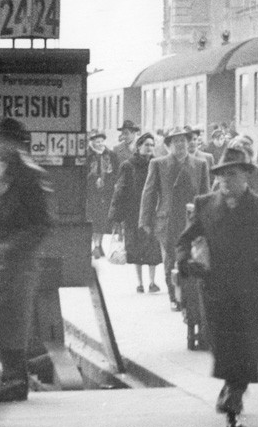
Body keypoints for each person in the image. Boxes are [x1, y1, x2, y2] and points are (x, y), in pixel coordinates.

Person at [176, 148, 258, 427]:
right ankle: (231, 386)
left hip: (249, 288)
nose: (225, 180)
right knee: (221, 343)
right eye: (222, 175)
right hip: (214, 287)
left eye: (232, 174)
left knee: (247, 343)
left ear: (246, 176)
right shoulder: (205, 204)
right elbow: (184, 240)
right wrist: (185, 261)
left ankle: (234, 400)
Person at [0, 117, 54, 402]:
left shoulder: (30, 175)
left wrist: (10, 248)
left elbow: (42, 224)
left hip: (18, 260)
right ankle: (2, 375)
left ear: (12, 143)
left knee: (13, 319)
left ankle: (15, 380)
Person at [140, 127, 212, 312]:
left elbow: (205, 194)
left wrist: (209, 219)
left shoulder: (200, 164)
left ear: (189, 143)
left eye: (183, 141)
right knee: (170, 260)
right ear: (168, 145)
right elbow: (149, 194)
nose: (180, 145)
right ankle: (174, 297)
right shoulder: (158, 163)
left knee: (191, 259)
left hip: (191, 220)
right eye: (175, 141)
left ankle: (189, 296)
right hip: (167, 221)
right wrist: (145, 221)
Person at [112, 132, 163, 292]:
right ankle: (140, 283)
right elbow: (120, 189)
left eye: (152, 145)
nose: (150, 148)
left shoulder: (156, 164)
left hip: (151, 210)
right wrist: (116, 215)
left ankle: (152, 282)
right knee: (136, 247)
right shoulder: (128, 165)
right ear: (139, 146)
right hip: (133, 211)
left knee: (152, 246)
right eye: (147, 145)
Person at [85, 130, 119, 258]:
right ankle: (96, 245)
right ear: (91, 142)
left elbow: (116, 173)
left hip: (106, 192)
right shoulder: (87, 155)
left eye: (101, 141)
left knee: (103, 219)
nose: (100, 144)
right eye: (97, 141)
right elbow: (83, 173)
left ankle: (98, 245)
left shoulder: (110, 155)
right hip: (91, 193)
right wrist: (94, 179)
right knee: (93, 218)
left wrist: (108, 183)